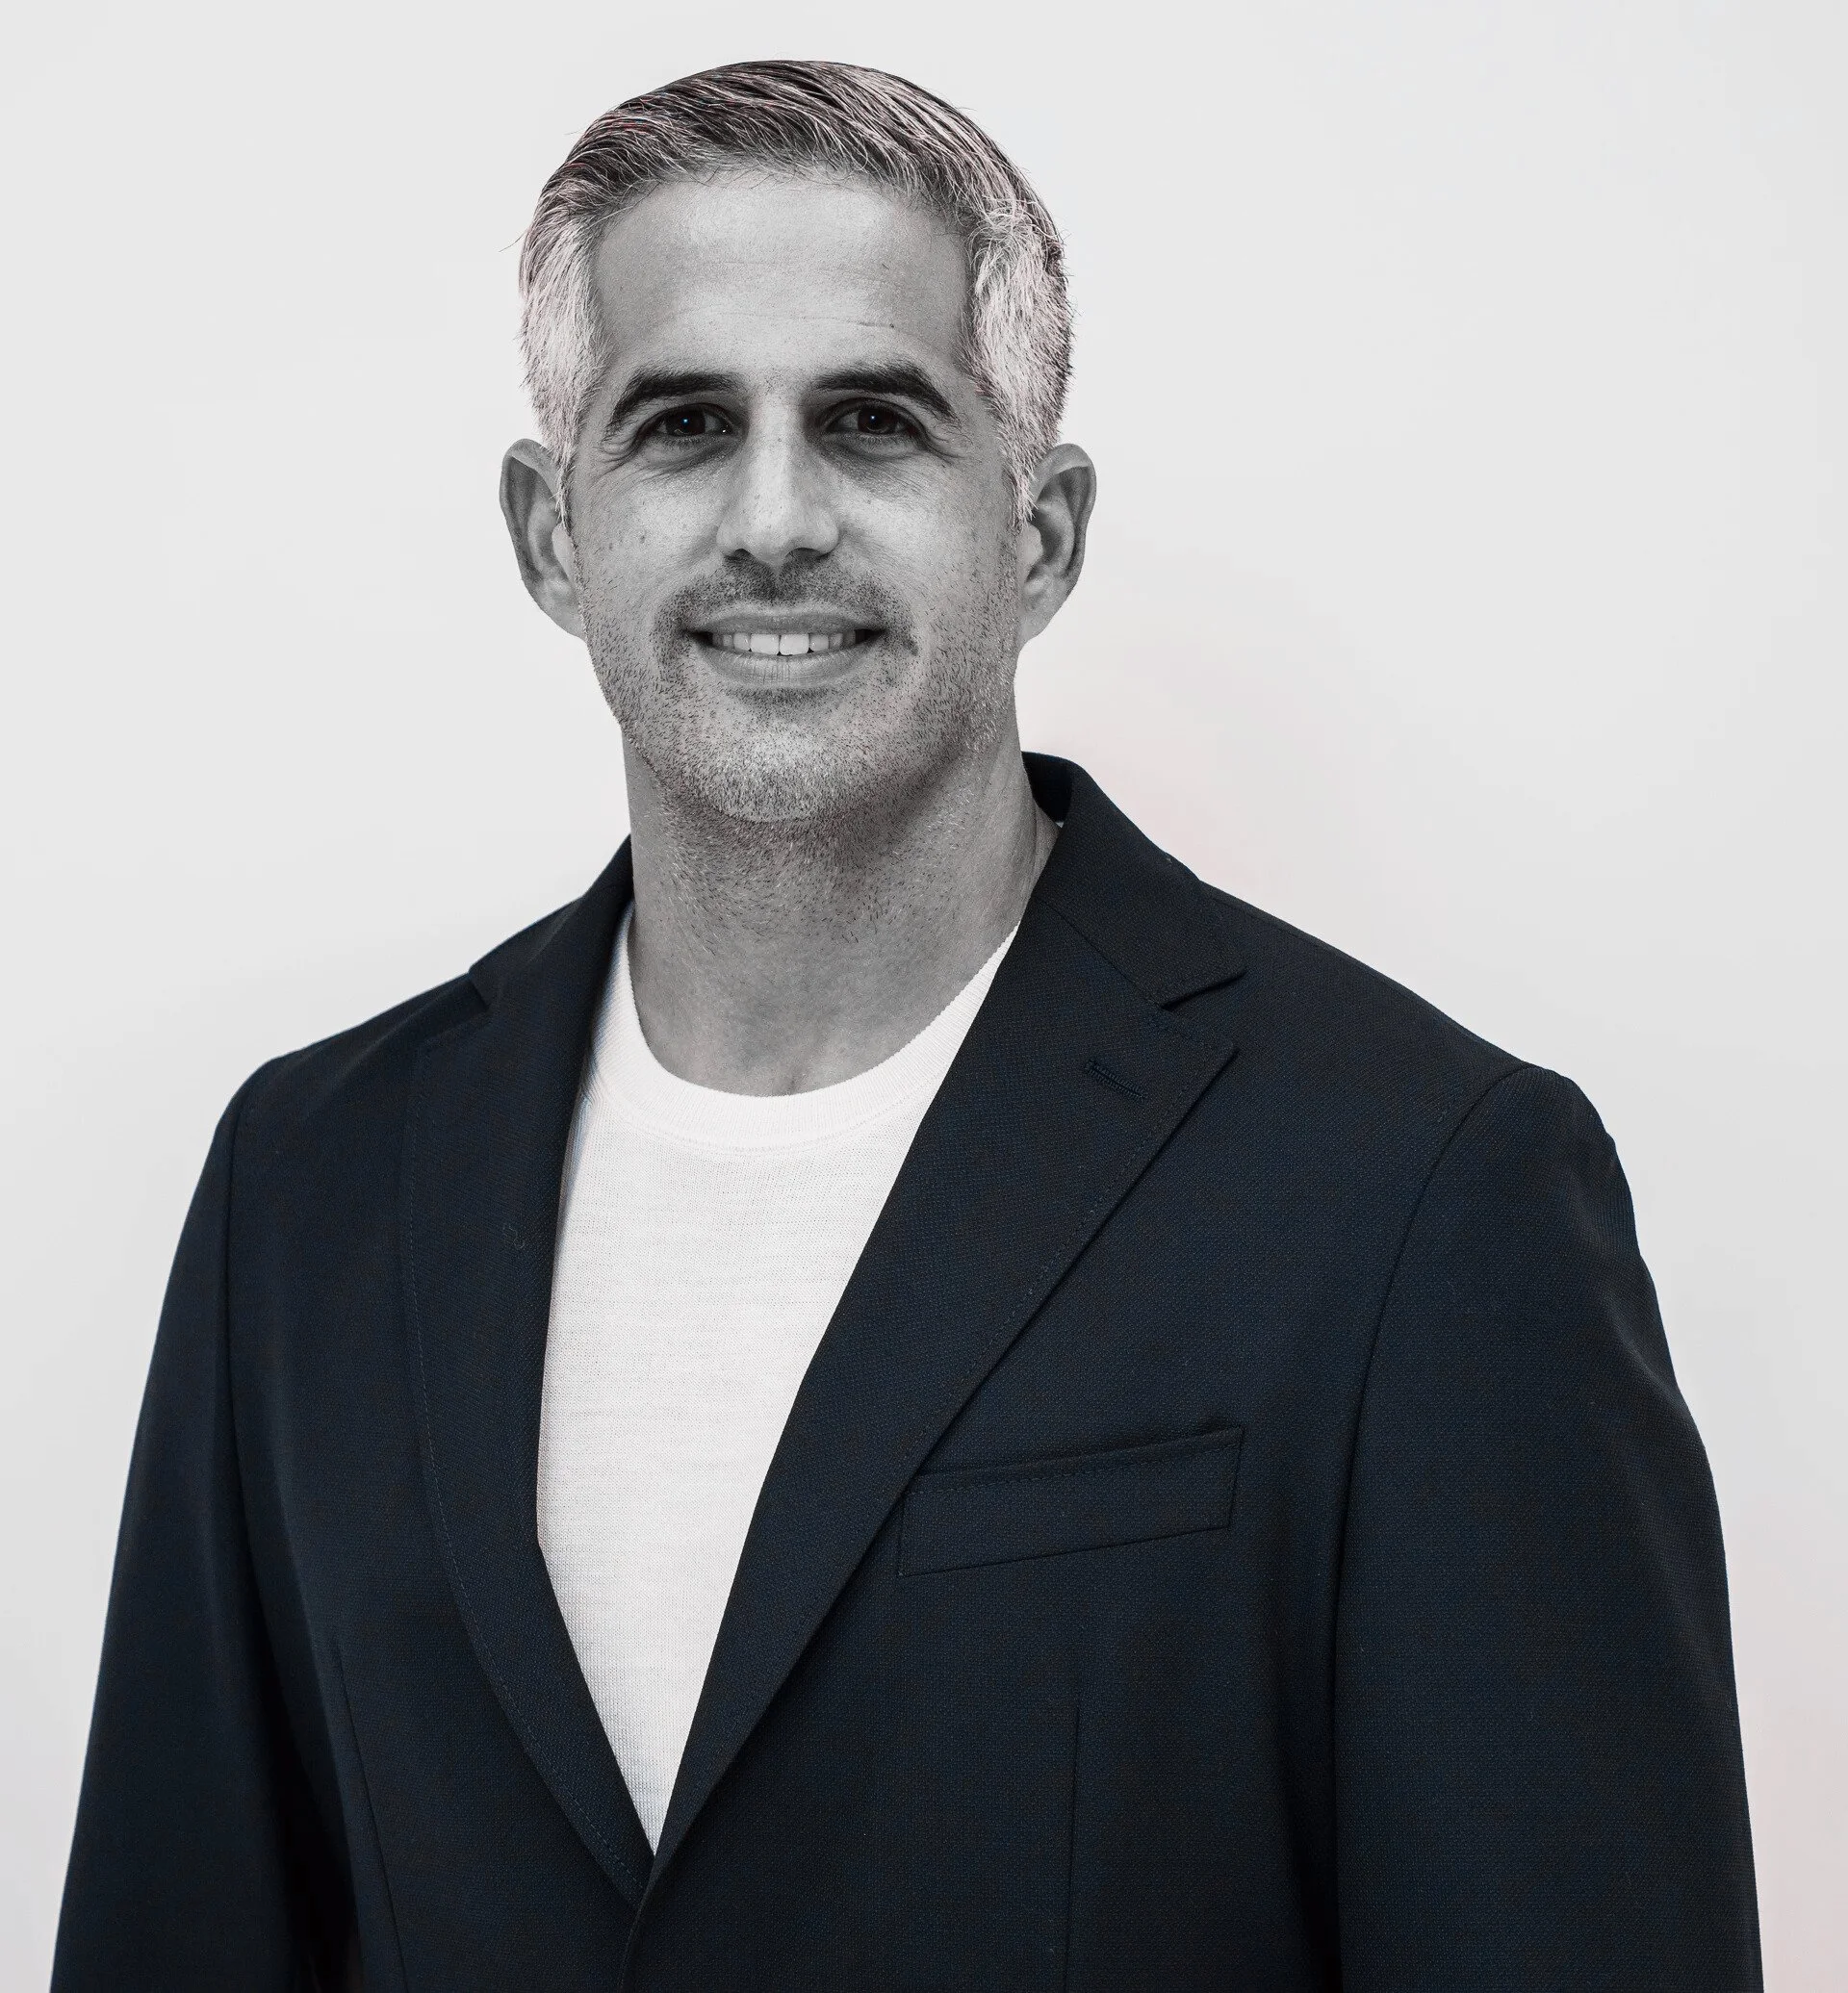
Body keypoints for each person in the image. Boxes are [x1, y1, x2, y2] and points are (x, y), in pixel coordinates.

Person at [51, 59, 1760, 1991]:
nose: (775, 521)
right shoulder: (312, 1187)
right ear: (553, 533)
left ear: (1037, 535)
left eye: (873, 424)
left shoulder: (1425, 1197)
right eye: (682, 426)